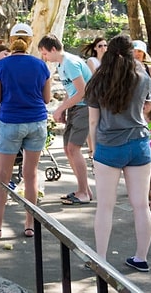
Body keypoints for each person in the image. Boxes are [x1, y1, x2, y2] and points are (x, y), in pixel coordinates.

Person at [0, 23, 51, 240]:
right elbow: (46, 98)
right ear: (30, 41)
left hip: (11, 122)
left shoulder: (0, 66)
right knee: (31, 174)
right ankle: (29, 224)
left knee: (3, 177)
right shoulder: (41, 65)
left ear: (10, 39)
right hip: (36, 121)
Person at [85, 34, 151, 272]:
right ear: (131, 52)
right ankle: (141, 258)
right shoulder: (143, 77)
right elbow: (146, 108)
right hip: (140, 144)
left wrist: (93, 151)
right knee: (141, 205)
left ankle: (100, 259)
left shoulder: (97, 81)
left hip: (108, 146)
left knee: (105, 205)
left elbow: (93, 123)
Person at [38, 33, 93, 205]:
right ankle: (84, 189)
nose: (44, 57)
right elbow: (71, 91)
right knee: (68, 149)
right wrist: (63, 108)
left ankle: (84, 192)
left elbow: (83, 92)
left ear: (53, 49)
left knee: (73, 148)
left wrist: (61, 108)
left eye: (45, 53)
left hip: (85, 107)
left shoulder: (70, 62)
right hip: (76, 107)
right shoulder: (62, 64)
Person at [81, 37, 107, 159]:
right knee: (92, 120)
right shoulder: (92, 61)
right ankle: (92, 149)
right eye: (100, 46)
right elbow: (95, 77)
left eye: (105, 45)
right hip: (94, 94)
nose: (103, 48)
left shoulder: (109, 62)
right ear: (95, 48)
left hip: (106, 95)